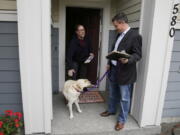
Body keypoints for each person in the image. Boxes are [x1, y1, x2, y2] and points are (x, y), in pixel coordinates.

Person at [100, 13, 142, 131]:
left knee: (124, 98)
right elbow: (114, 50)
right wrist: (109, 63)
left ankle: (122, 120)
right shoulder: (119, 35)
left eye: (116, 25)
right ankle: (111, 110)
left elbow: (138, 55)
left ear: (122, 22)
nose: (115, 28)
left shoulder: (135, 36)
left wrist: (128, 59)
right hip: (113, 70)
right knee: (113, 93)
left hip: (125, 72)